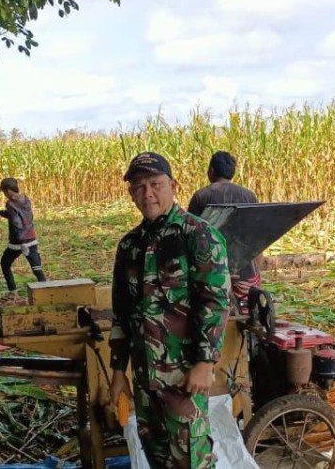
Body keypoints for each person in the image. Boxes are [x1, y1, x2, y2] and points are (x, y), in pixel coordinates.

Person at [108, 152, 233, 469]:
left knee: (192, 459)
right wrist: (118, 372)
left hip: (184, 377)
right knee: (157, 460)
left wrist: (206, 362)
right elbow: (122, 312)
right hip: (145, 382)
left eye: (155, 184)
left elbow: (215, 301)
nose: (147, 193)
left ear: (173, 185)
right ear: (131, 193)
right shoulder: (129, 246)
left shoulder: (198, 236)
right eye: (138, 187)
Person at [187, 150, 262, 307]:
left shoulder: (201, 196)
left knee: (217, 312)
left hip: (212, 272)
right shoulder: (249, 196)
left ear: (211, 171)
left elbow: (189, 237)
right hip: (245, 272)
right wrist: (255, 274)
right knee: (246, 313)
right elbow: (257, 239)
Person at [0, 177, 47, 293]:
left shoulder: (10, 203)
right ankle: (46, 293)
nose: (4, 194)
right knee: (36, 268)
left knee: (5, 263)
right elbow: (19, 216)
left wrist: (21, 242)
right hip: (31, 237)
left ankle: (13, 293)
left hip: (19, 241)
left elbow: (16, 222)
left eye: (4, 192)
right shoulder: (25, 198)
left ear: (8, 190)